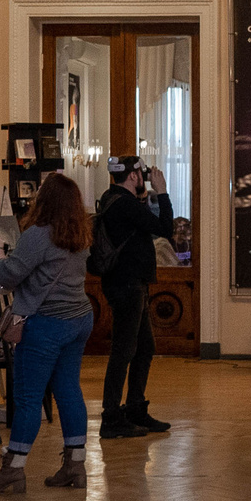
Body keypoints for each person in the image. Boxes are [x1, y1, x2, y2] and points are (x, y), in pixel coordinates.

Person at [0, 172, 97, 494]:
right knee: (68, 390)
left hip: (46, 324)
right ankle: (75, 465)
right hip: (79, 318)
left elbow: (10, 275)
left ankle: (13, 470)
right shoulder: (80, 235)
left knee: (28, 397)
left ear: (45, 200)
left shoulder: (38, 235)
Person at [96, 163, 170, 436]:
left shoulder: (113, 200)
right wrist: (161, 192)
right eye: (143, 174)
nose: (147, 179)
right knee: (124, 351)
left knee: (144, 347)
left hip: (129, 284)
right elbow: (165, 228)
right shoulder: (124, 205)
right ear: (133, 175)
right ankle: (111, 417)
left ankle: (135, 407)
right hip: (127, 286)